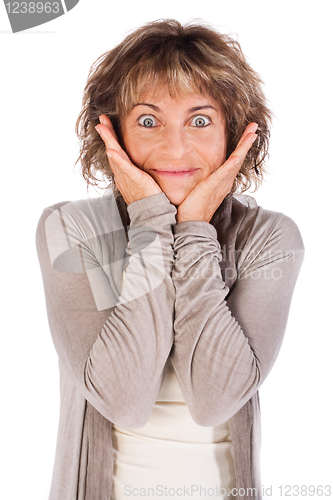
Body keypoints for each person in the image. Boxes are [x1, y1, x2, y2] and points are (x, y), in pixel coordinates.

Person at [36, 19, 304, 500]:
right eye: (147, 120)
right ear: (112, 132)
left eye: (200, 121)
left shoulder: (269, 237)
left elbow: (214, 400)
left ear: (237, 135)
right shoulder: (72, 229)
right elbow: (125, 401)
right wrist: (154, 221)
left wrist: (196, 229)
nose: (175, 147)